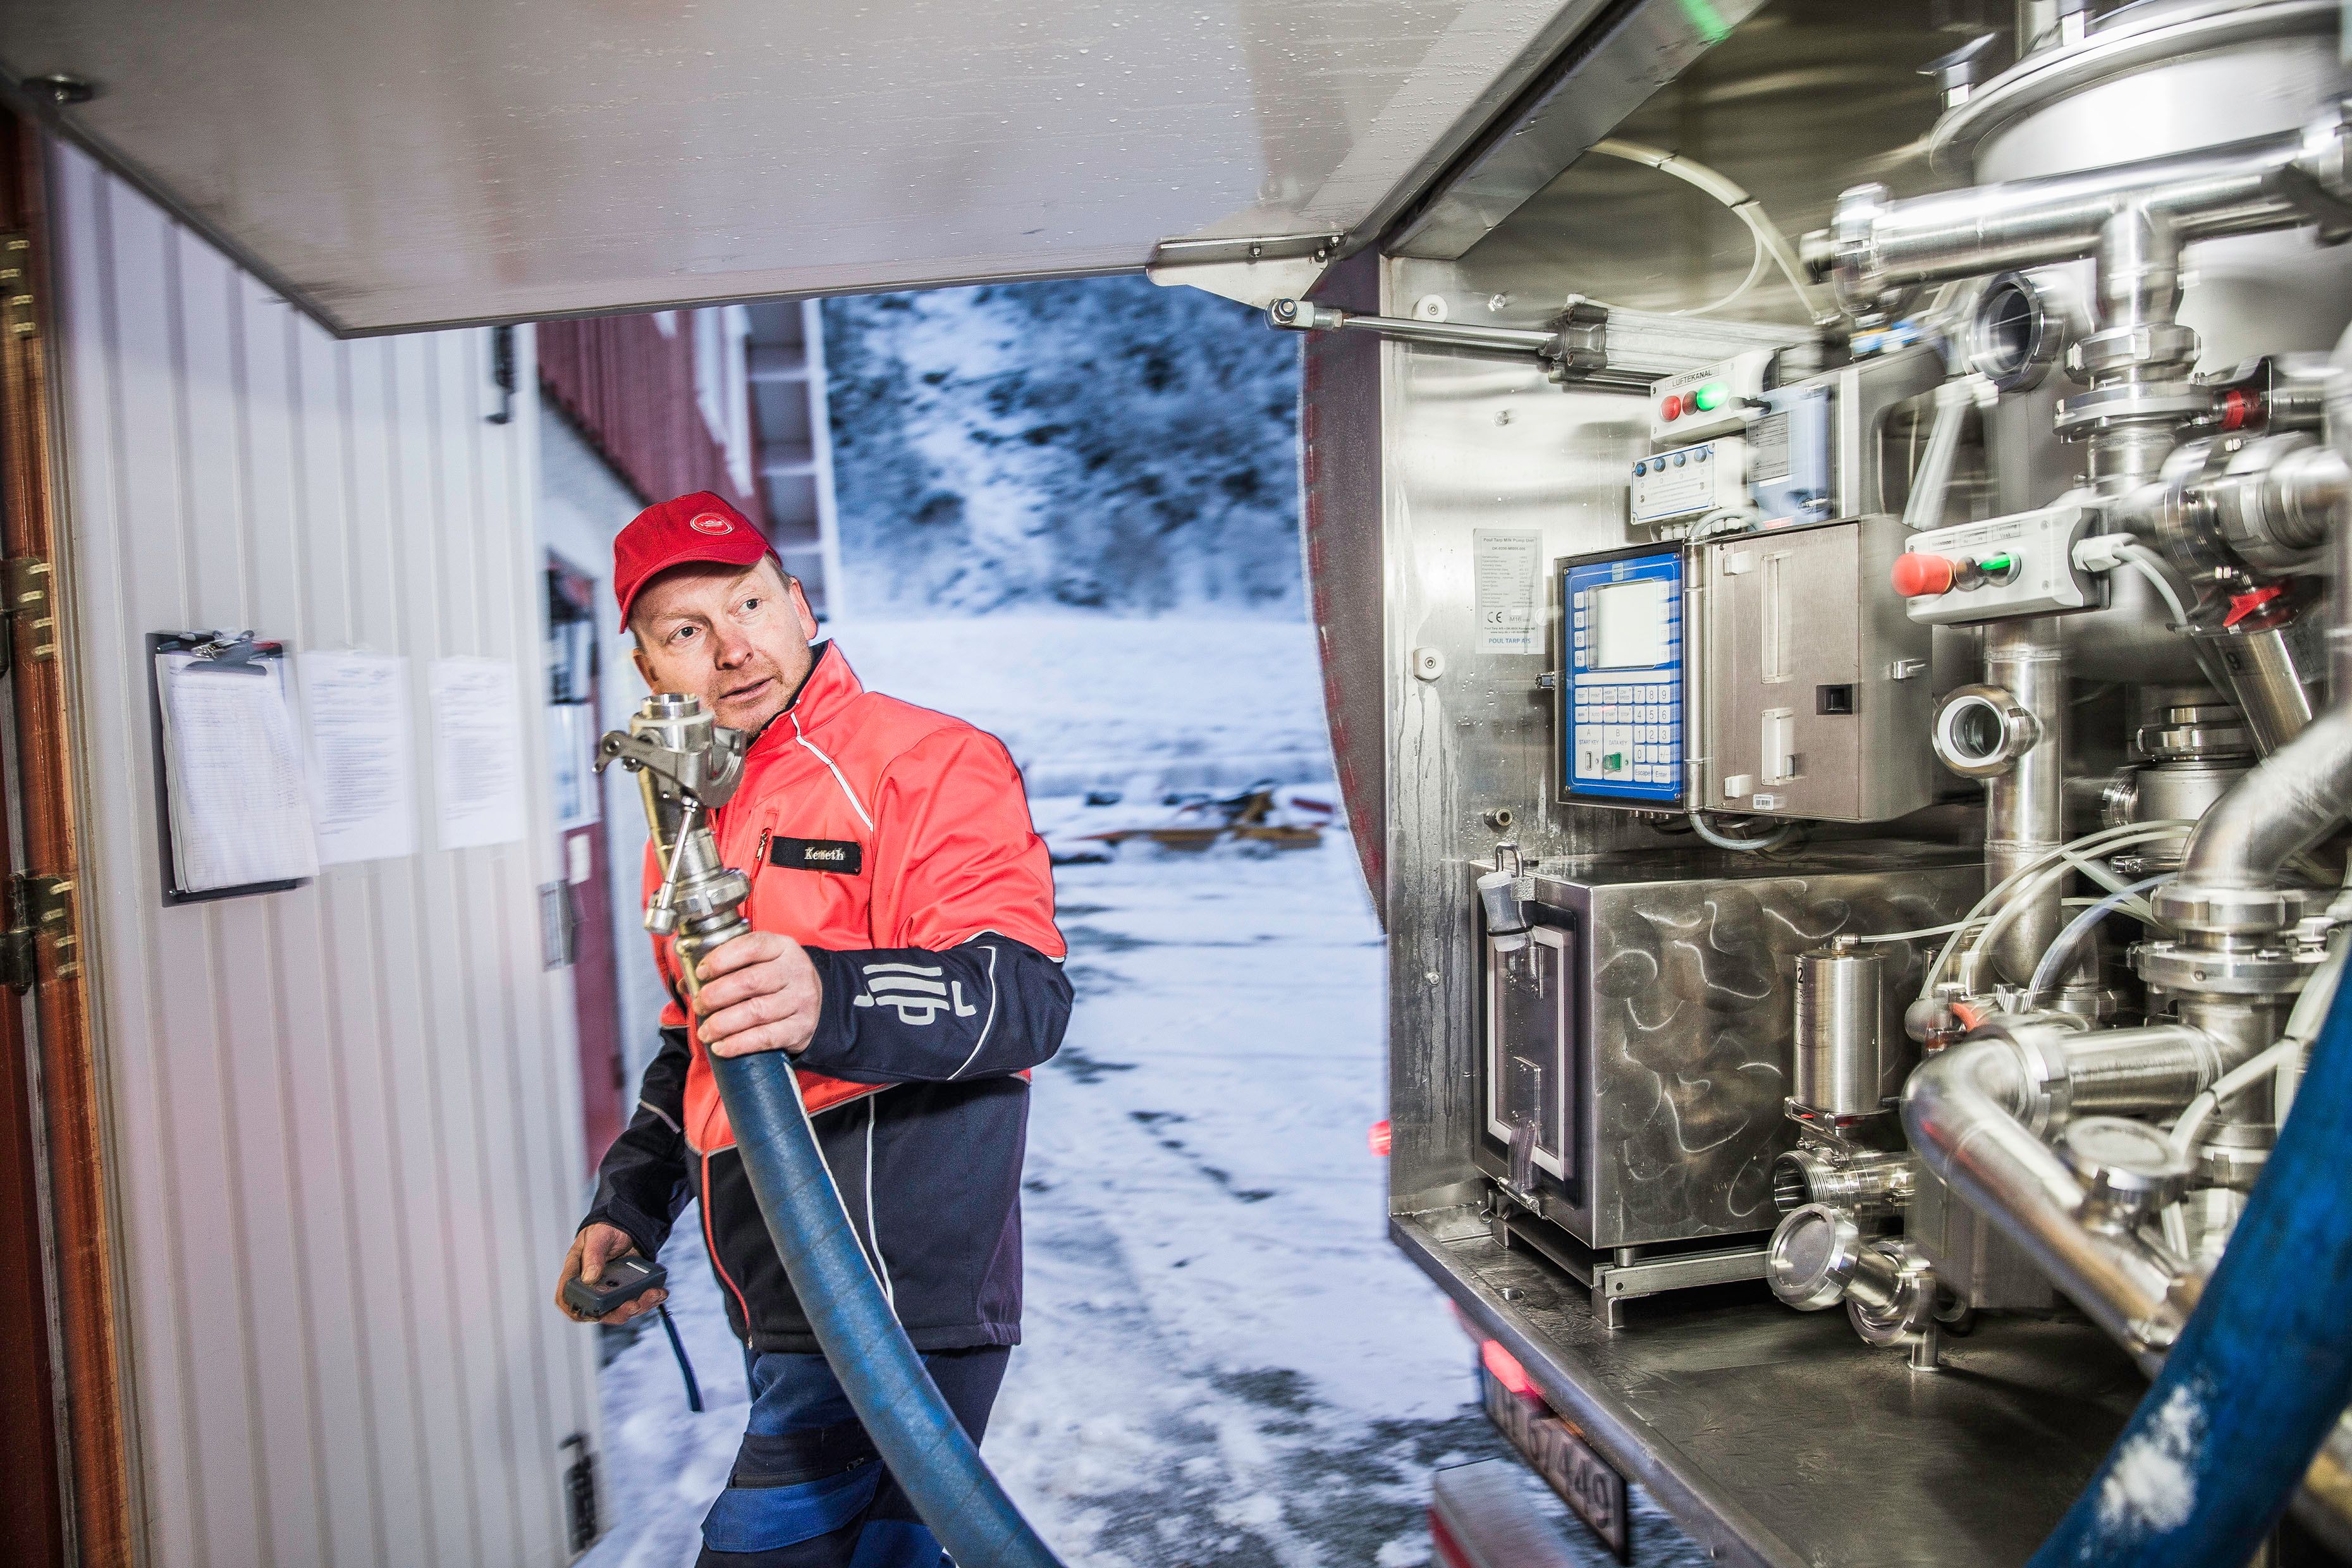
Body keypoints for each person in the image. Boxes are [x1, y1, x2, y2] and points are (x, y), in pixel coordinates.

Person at [553, 491, 1072, 1567]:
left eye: (750, 604)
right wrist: (631, 1204)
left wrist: (826, 998)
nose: (734, 648)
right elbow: (695, 1036)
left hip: (891, 1302)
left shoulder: (924, 762)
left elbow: (1022, 997)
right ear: (650, 672)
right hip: (779, 1295)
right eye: (686, 632)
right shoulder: (694, 816)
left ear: (798, 603)